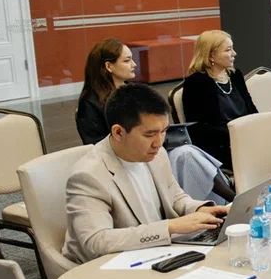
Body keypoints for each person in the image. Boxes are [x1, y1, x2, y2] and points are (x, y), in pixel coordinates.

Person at [63, 84, 229, 264]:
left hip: (154, 251)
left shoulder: (157, 155)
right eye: (150, 134)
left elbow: (174, 196)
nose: (159, 142)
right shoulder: (89, 175)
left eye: (163, 131)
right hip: (108, 266)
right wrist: (169, 227)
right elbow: (97, 241)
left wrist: (199, 209)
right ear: (118, 132)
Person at [76, 39, 232, 202]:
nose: (134, 64)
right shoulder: (90, 104)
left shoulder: (134, 91)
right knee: (186, 155)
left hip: (154, 152)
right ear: (109, 66)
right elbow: (97, 145)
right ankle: (226, 200)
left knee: (187, 153)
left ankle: (220, 203)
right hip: (128, 161)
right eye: (127, 60)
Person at [181, 30, 258, 170]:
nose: (234, 53)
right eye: (228, 50)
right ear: (211, 55)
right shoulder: (196, 83)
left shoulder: (235, 75)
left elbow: (252, 110)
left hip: (246, 138)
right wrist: (236, 134)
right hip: (220, 147)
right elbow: (197, 128)